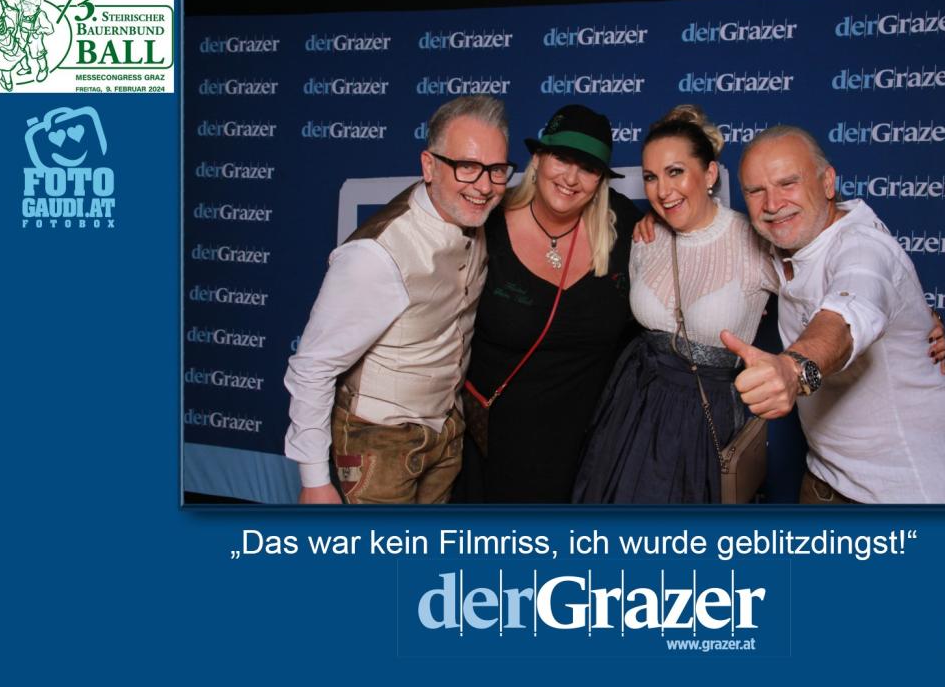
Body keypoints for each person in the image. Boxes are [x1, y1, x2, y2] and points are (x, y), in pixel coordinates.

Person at [284, 95, 512, 504]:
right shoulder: (376, 255)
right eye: (466, 166)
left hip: (445, 433)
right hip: (379, 440)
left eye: (496, 170)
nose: (484, 186)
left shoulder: (475, 216)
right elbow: (313, 367)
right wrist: (314, 480)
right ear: (429, 166)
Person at [723, 125, 945, 504]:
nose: (772, 203)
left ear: (828, 182)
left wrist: (793, 369)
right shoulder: (784, 244)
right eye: (755, 191)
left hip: (905, 492)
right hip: (824, 480)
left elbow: (848, 313)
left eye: (788, 183)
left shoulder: (862, 248)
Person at [573, 105, 778, 503]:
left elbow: (819, 290)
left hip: (705, 417)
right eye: (651, 177)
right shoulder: (645, 238)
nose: (662, 191)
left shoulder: (753, 241)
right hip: (632, 406)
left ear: (710, 174)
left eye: (676, 172)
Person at [458, 104, 641, 503]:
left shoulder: (624, 225)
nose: (571, 178)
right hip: (490, 444)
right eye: (562, 158)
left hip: (586, 451)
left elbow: (687, 239)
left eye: (588, 168)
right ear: (538, 159)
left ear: (600, 180)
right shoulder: (487, 222)